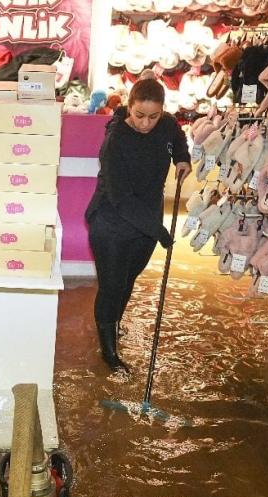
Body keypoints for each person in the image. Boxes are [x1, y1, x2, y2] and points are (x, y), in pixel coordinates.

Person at [85, 78, 192, 372]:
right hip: (111, 222)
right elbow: (119, 198)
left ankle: (113, 325)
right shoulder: (116, 141)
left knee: (128, 280)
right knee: (111, 285)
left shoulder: (167, 124)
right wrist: (158, 230)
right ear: (129, 107)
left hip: (145, 222)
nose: (146, 124)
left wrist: (182, 159)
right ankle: (109, 354)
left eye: (153, 117)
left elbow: (178, 137)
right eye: (140, 116)